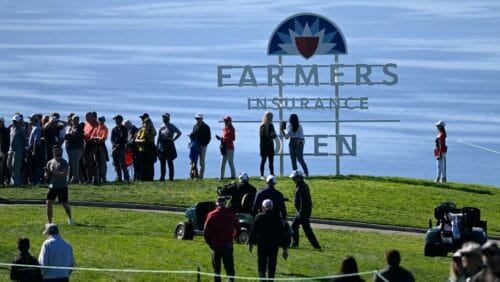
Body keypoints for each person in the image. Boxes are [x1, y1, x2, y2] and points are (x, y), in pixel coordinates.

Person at [248, 199, 288, 281]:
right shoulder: (277, 217)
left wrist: (251, 243)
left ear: (263, 207)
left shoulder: (259, 217)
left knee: (261, 264)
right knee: (272, 264)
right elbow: (282, 233)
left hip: (262, 244)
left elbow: (253, 231)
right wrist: (284, 248)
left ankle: (262, 280)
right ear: (272, 207)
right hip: (274, 244)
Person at [204, 197, 240, 282]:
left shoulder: (211, 214)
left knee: (216, 269)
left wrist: (210, 242)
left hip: (215, 244)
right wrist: (233, 237)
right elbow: (238, 229)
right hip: (227, 244)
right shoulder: (231, 214)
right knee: (229, 268)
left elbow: (206, 231)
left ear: (217, 203)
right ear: (225, 203)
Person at [289, 170, 320, 250]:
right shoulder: (300, 185)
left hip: (302, 212)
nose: (292, 179)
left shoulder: (302, 187)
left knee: (307, 230)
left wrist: (301, 213)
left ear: (299, 177)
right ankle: (295, 243)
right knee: (294, 227)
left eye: (294, 177)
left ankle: (316, 246)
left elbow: (304, 201)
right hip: (300, 212)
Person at [44, 145, 73, 225]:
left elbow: (65, 174)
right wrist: (47, 173)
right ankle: (49, 222)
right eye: (55, 150)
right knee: (48, 202)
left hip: (62, 186)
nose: (56, 152)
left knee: (64, 204)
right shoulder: (49, 162)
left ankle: (70, 218)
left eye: (58, 150)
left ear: (60, 151)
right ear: (52, 151)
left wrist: (53, 172)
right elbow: (46, 176)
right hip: (52, 186)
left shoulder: (64, 162)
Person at [157, 113, 181, 181]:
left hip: (169, 145)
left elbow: (179, 133)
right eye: (163, 117)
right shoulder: (161, 126)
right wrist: (158, 146)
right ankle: (162, 177)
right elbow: (159, 136)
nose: (164, 118)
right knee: (162, 162)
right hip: (162, 145)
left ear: (169, 118)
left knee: (170, 162)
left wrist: (173, 139)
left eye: (165, 117)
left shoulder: (172, 126)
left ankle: (171, 177)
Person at [7, 114, 27, 186]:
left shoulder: (21, 130)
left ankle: (17, 183)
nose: (14, 122)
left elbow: (25, 141)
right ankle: (17, 180)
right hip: (10, 150)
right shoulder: (11, 128)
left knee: (16, 167)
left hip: (18, 151)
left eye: (16, 121)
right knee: (9, 166)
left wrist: (25, 151)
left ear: (18, 122)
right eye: (13, 121)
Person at [190, 113, 211, 179]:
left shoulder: (206, 127)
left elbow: (208, 137)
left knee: (201, 162)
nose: (197, 120)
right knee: (193, 161)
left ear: (202, 119)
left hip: (202, 146)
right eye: (196, 118)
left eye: (199, 118)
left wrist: (204, 144)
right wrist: (191, 139)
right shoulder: (195, 126)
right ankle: (193, 175)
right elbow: (193, 136)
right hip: (195, 146)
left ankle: (201, 176)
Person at [65, 115, 84, 184]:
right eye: (74, 120)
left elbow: (73, 135)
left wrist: (69, 135)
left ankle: (75, 179)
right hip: (71, 148)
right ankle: (75, 178)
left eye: (76, 120)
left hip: (77, 148)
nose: (75, 121)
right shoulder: (72, 127)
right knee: (73, 164)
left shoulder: (79, 127)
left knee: (75, 164)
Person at [111, 115, 130, 182]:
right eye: (115, 120)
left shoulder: (124, 129)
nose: (116, 121)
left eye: (117, 119)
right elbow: (112, 139)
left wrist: (118, 145)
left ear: (121, 120)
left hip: (121, 148)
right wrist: (114, 145)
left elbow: (124, 139)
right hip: (115, 148)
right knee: (116, 163)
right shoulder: (114, 129)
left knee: (122, 163)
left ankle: (126, 177)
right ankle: (119, 177)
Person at [216, 116, 235, 180]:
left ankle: (233, 176)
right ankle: (221, 177)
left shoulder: (232, 129)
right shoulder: (224, 129)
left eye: (226, 121)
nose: (225, 122)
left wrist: (222, 138)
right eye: (225, 121)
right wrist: (220, 139)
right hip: (224, 147)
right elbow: (225, 138)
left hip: (230, 148)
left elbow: (233, 138)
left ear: (230, 122)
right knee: (223, 163)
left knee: (230, 162)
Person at [259, 111, 276, 179]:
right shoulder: (262, 126)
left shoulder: (271, 125)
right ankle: (262, 175)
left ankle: (272, 174)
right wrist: (270, 136)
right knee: (263, 160)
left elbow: (274, 135)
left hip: (270, 146)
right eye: (270, 117)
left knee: (271, 161)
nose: (271, 118)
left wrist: (273, 135)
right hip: (264, 146)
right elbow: (262, 136)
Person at [91, 116, 109, 183]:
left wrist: (96, 138)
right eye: (99, 120)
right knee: (96, 163)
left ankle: (103, 178)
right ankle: (98, 178)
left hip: (101, 147)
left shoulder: (105, 128)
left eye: (102, 120)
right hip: (95, 147)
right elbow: (91, 137)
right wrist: (97, 138)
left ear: (104, 121)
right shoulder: (96, 128)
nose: (100, 121)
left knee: (103, 163)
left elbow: (102, 138)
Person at [28, 114, 44, 185]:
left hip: (35, 148)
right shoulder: (35, 127)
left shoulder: (37, 128)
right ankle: (35, 180)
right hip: (34, 147)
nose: (30, 120)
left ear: (35, 120)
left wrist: (34, 151)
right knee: (34, 165)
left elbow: (36, 140)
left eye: (31, 119)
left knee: (36, 165)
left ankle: (36, 181)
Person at [83, 112, 98, 184]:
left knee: (93, 162)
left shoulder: (96, 124)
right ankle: (89, 178)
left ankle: (95, 178)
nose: (87, 118)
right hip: (86, 145)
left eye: (88, 116)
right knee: (87, 163)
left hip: (93, 145)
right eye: (86, 116)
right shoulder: (86, 124)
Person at [0, 117, 10, 185]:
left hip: (4, 151)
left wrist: (5, 152)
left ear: (3, 122)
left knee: (3, 166)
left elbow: (7, 142)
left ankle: (3, 181)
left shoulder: (6, 131)